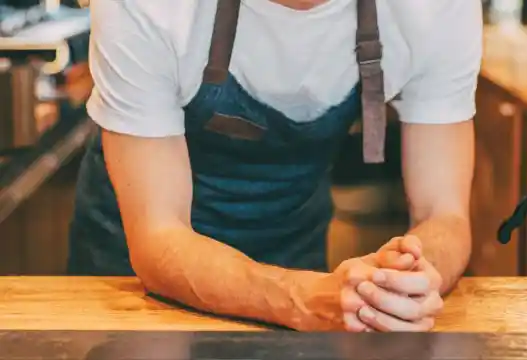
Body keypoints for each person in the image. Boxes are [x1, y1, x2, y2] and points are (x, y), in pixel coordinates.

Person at [67, 0, 481, 332]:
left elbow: (443, 214)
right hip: (135, 281)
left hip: (294, 252)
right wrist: (300, 299)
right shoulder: (150, 7)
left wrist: (408, 282)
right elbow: (158, 235)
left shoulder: (436, 8)